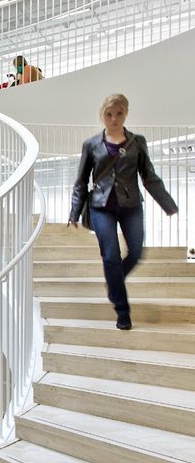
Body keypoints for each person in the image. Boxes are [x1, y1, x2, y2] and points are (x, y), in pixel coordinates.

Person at [68, 93, 178, 330]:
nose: (114, 119)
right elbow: (81, 181)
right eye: (109, 114)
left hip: (131, 206)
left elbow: (148, 176)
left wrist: (168, 204)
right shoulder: (91, 145)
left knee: (136, 253)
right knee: (111, 256)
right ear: (102, 115)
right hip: (101, 207)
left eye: (119, 114)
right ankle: (122, 311)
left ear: (126, 113)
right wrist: (74, 212)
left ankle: (113, 280)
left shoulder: (137, 142)